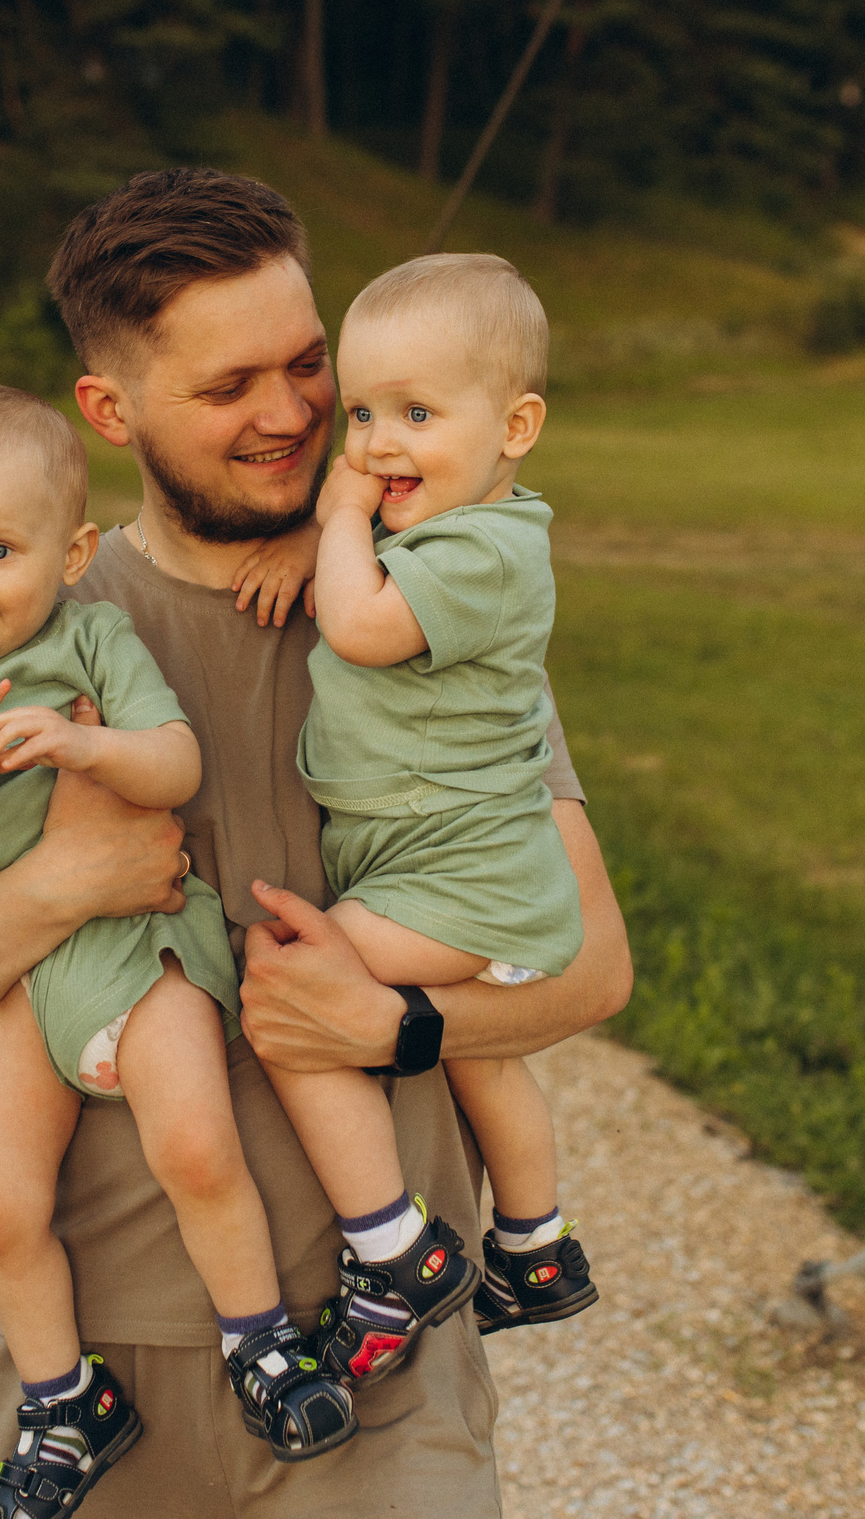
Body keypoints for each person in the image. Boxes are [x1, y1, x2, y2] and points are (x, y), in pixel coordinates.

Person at [0, 167, 633, 1518]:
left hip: (386, 1378)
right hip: (110, 1355)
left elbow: (592, 965)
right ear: (110, 409)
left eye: (309, 364)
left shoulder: (430, 605)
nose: (293, 415)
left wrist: (395, 1023)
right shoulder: (38, 636)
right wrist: (61, 879)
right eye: (228, 386)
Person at [0, 385, 360, 1519]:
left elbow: (173, 766)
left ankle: (260, 1345)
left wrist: (82, 743)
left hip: (130, 942)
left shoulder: (90, 638)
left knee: (197, 1145)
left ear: (72, 555)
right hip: (15, 982)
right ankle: (64, 1399)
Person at [279, 253, 600, 1381]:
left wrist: (331, 517)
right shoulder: (443, 537)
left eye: (417, 413)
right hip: (470, 871)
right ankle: (535, 1243)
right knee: (482, 1065)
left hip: (459, 877)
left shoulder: (487, 550)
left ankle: (393, 1249)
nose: (376, 445)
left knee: (294, 1000)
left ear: (515, 426)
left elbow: (359, 627)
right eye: (361, 414)